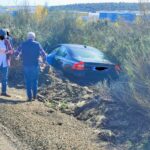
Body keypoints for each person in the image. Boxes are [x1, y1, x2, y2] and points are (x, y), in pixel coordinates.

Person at [16, 32, 47, 101]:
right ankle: (34, 96)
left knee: (28, 81)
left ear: (27, 37)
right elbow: (44, 54)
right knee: (35, 81)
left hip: (26, 65)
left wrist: (17, 57)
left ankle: (29, 97)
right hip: (35, 65)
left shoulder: (23, 44)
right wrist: (43, 62)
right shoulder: (37, 44)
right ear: (34, 37)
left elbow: (16, 53)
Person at [0, 29, 13, 97]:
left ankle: (4, 92)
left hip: (4, 62)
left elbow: (11, 50)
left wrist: (6, 52)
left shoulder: (6, 41)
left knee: (4, 78)